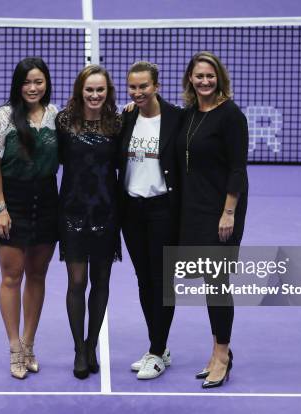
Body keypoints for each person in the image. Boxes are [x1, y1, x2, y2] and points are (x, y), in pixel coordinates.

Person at [0, 57, 59, 380]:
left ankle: (29, 344)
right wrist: (1, 208)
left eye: (38, 82)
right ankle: (14, 347)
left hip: (46, 202)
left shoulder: (57, 116)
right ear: (18, 85)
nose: (32, 88)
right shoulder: (2, 117)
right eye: (27, 82)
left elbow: (93, 116)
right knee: (12, 277)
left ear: (46, 84)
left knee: (38, 276)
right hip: (11, 202)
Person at [177, 51, 249, 388]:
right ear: (190, 78)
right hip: (195, 209)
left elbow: (237, 168)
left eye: (210, 76)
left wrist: (229, 212)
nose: (205, 81)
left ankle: (222, 354)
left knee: (218, 282)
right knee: (208, 279)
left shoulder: (231, 116)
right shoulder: (190, 114)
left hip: (222, 211)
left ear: (219, 78)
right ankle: (217, 349)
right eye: (199, 76)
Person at [56, 65, 122, 379]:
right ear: (80, 91)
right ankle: (79, 350)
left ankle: (92, 343)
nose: (94, 95)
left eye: (100, 90)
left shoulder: (118, 124)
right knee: (77, 282)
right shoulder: (64, 122)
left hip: (107, 214)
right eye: (89, 90)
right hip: (72, 214)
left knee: (101, 282)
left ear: (107, 92)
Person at [119, 61, 184, 380]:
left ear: (156, 86)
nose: (138, 92)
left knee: (162, 282)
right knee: (144, 279)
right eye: (133, 87)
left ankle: (157, 352)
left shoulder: (176, 118)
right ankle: (158, 345)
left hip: (162, 210)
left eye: (144, 86)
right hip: (131, 211)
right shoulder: (126, 116)